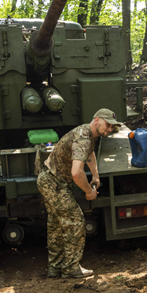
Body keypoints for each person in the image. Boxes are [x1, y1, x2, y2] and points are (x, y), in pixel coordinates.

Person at [37, 109, 122, 279]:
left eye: (112, 127)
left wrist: (95, 175)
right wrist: (89, 192)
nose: (109, 129)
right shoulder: (84, 136)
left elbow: (89, 153)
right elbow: (76, 173)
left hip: (49, 180)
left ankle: (55, 268)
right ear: (96, 120)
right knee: (75, 221)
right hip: (54, 183)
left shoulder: (88, 134)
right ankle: (70, 268)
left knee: (56, 224)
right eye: (107, 125)